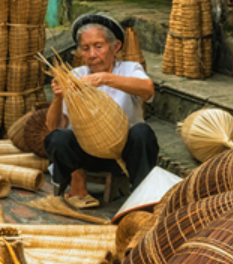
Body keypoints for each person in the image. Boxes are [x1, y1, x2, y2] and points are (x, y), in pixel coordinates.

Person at [44, 13, 159, 209]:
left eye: (98, 47)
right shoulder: (75, 75)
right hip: (86, 156)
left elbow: (148, 90)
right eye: (85, 48)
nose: (91, 54)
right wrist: (58, 97)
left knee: (142, 132)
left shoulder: (130, 69)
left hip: (122, 154)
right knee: (57, 138)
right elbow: (54, 127)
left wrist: (105, 79)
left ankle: (142, 195)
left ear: (116, 47)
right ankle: (77, 182)